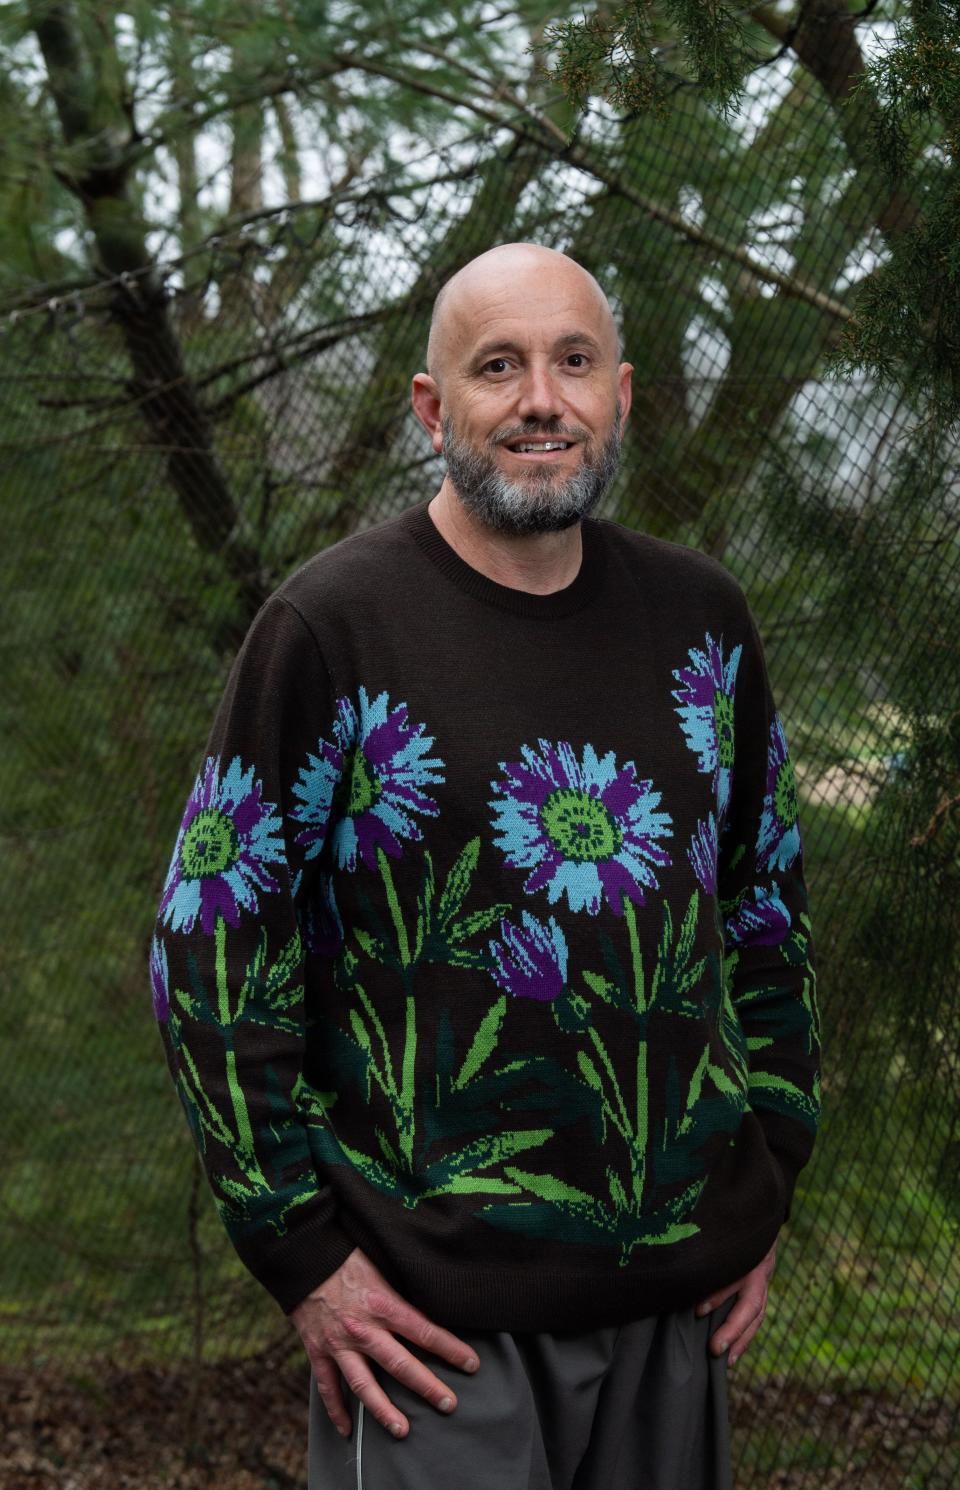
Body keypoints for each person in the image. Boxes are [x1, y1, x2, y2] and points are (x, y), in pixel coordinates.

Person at [151, 243, 820, 1489]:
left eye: (573, 363)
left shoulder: (702, 621)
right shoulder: (332, 627)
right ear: (431, 407)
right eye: (497, 367)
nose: (541, 402)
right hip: (431, 1335)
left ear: (621, 392)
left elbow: (766, 905)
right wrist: (300, 1249)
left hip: (672, 1311)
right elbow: (207, 949)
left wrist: (766, 1167)